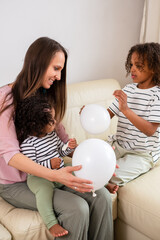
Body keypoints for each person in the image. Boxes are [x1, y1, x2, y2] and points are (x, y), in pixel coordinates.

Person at [0, 37, 113, 240]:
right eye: (56, 68)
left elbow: (65, 143)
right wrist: (55, 175)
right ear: (39, 63)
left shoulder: (45, 99)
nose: (59, 77)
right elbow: (11, 156)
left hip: (50, 172)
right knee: (77, 208)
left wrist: (100, 162)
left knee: (102, 196)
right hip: (15, 183)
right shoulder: (5, 99)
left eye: (61, 70)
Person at [15, 95, 77, 237]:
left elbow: (60, 151)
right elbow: (31, 166)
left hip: (59, 173)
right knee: (44, 192)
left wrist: (68, 147)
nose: (56, 122)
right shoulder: (28, 144)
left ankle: (103, 184)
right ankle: (51, 223)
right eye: (51, 120)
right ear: (37, 124)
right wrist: (49, 164)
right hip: (39, 178)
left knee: (79, 174)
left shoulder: (52, 135)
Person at [106, 42, 160, 194]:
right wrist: (90, 112)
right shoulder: (128, 89)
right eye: (131, 64)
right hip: (119, 144)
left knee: (112, 176)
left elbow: (150, 130)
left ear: (154, 68)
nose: (133, 69)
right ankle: (101, 182)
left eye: (139, 65)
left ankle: (104, 182)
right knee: (88, 165)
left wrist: (126, 110)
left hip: (142, 154)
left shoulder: (157, 95)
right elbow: (107, 115)